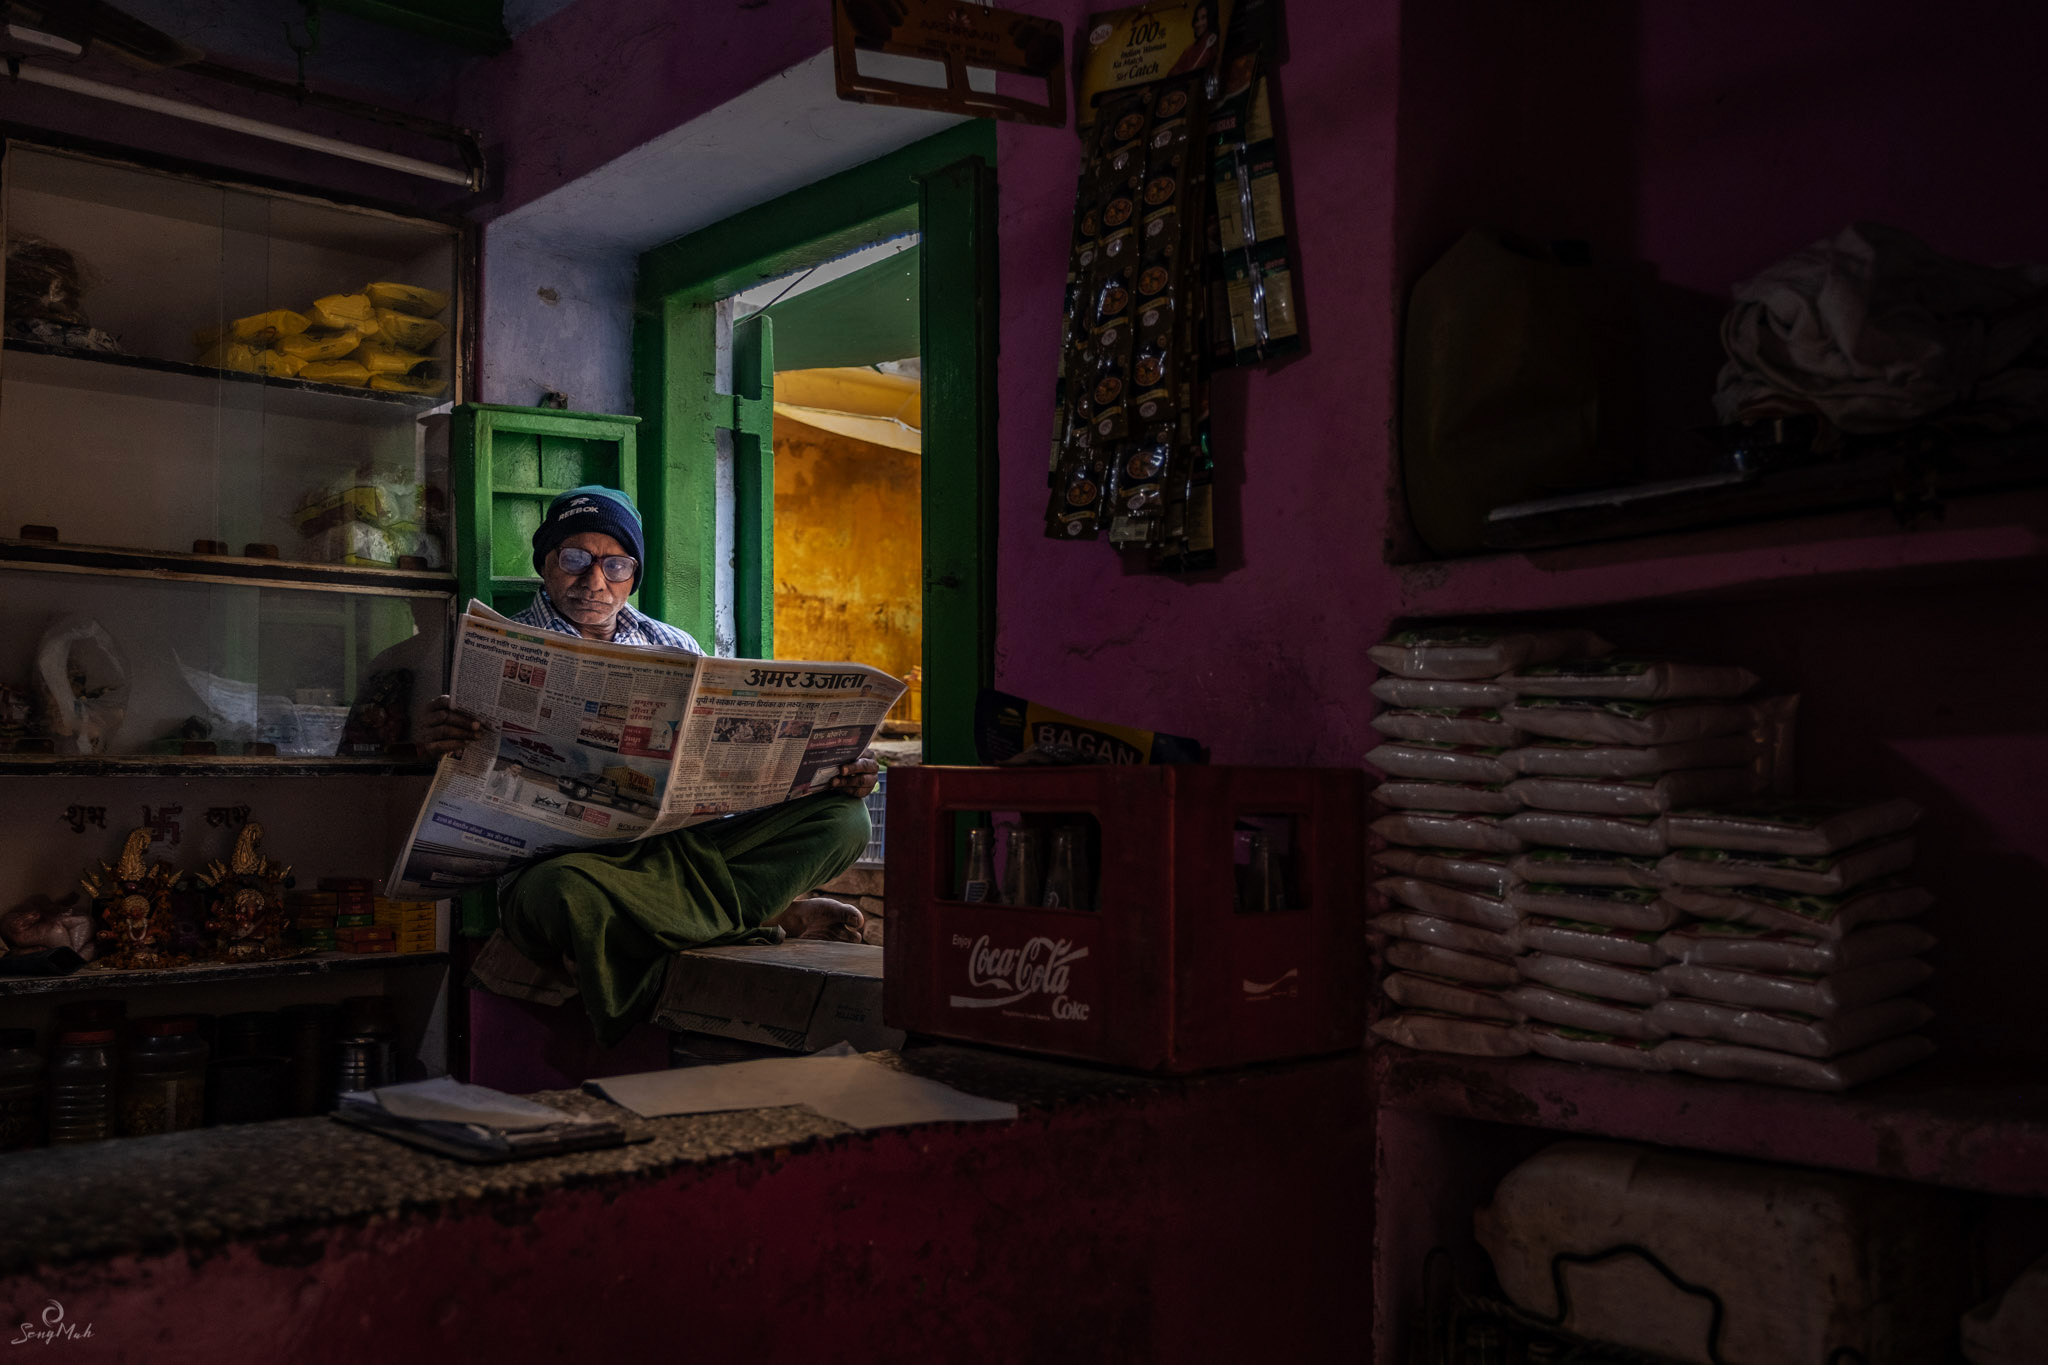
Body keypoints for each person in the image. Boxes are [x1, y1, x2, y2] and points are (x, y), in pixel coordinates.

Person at [422, 485, 880, 1045]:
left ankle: (688, 924)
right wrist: (440, 745)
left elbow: (727, 763)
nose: (595, 582)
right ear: (544, 562)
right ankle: (762, 920)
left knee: (845, 822)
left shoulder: (675, 645)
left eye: (615, 565)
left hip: (684, 851)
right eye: (574, 560)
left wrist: (835, 768)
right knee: (567, 896)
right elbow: (462, 776)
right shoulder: (500, 645)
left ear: (633, 575)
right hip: (576, 864)